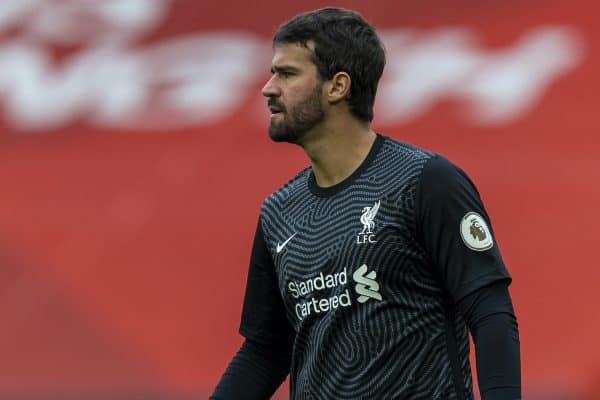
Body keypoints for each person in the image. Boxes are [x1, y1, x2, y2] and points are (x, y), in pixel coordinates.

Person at [211, 7, 520, 400]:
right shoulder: (278, 213)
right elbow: (266, 350)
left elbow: (490, 311)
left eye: (287, 74)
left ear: (337, 87)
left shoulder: (425, 181)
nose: (268, 88)